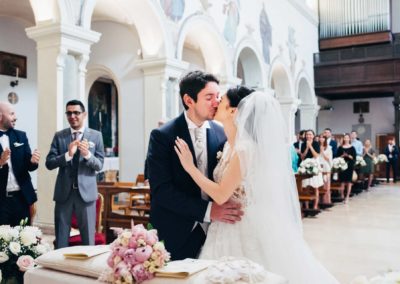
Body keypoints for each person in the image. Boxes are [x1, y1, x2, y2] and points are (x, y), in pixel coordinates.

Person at [174, 90, 339, 284]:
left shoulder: (245, 148)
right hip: (225, 223)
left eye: (222, 100)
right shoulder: (229, 145)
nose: (217, 101)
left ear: (233, 111)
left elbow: (220, 194)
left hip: (242, 224)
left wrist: (190, 168)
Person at [146, 71, 243, 260]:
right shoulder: (162, 136)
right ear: (189, 100)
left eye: (217, 96)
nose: (216, 102)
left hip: (217, 231)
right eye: (209, 97)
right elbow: (161, 190)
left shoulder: (223, 133)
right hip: (176, 231)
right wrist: (207, 211)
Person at [45, 100, 104, 249]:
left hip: (86, 194)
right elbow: (49, 163)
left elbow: (99, 165)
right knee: (61, 240)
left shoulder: (96, 136)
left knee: (88, 240)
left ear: (84, 114)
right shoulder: (60, 136)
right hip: (64, 193)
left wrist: (87, 155)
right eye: (69, 113)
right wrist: (67, 155)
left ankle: (87, 270)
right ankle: (60, 269)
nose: (72, 116)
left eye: (76, 112)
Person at [0, 102, 40, 226]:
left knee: (24, 238)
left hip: (21, 198)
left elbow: (29, 165)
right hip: (1, 200)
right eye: (11, 114)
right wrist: (0, 162)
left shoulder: (21, 136)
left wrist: (33, 161)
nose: (15, 117)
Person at [337, 134, 356, 203]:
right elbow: (337, 157)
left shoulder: (352, 148)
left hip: (349, 165)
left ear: (349, 139)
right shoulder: (340, 147)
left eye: (347, 138)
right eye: (345, 138)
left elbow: (354, 158)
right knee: (342, 181)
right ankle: (342, 195)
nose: (346, 139)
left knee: (349, 182)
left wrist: (348, 156)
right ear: (344, 139)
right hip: (341, 165)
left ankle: (347, 196)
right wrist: (342, 155)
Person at [318, 134, 333, 206]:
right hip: (319, 166)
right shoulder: (317, 147)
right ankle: (319, 201)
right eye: (320, 138)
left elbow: (328, 159)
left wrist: (322, 151)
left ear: (325, 139)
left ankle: (326, 201)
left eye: (323, 138)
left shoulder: (329, 148)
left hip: (326, 167)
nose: (321, 139)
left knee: (326, 184)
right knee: (320, 184)